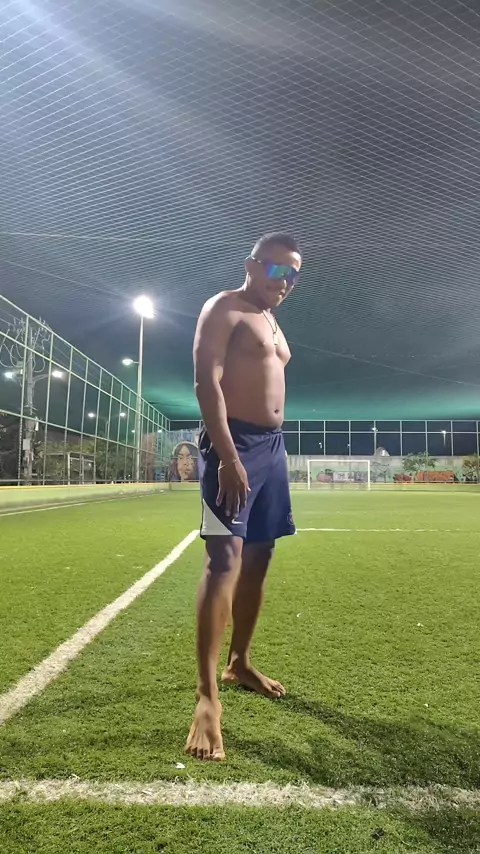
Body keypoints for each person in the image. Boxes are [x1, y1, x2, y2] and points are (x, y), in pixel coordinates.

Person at [186, 232, 302, 761]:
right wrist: (229, 457)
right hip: (233, 445)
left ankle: (240, 663)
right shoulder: (224, 308)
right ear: (252, 265)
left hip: (273, 449)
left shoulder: (272, 320)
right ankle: (207, 697)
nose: (287, 281)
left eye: (294, 274)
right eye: (278, 270)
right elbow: (206, 383)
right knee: (224, 560)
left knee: (261, 556)